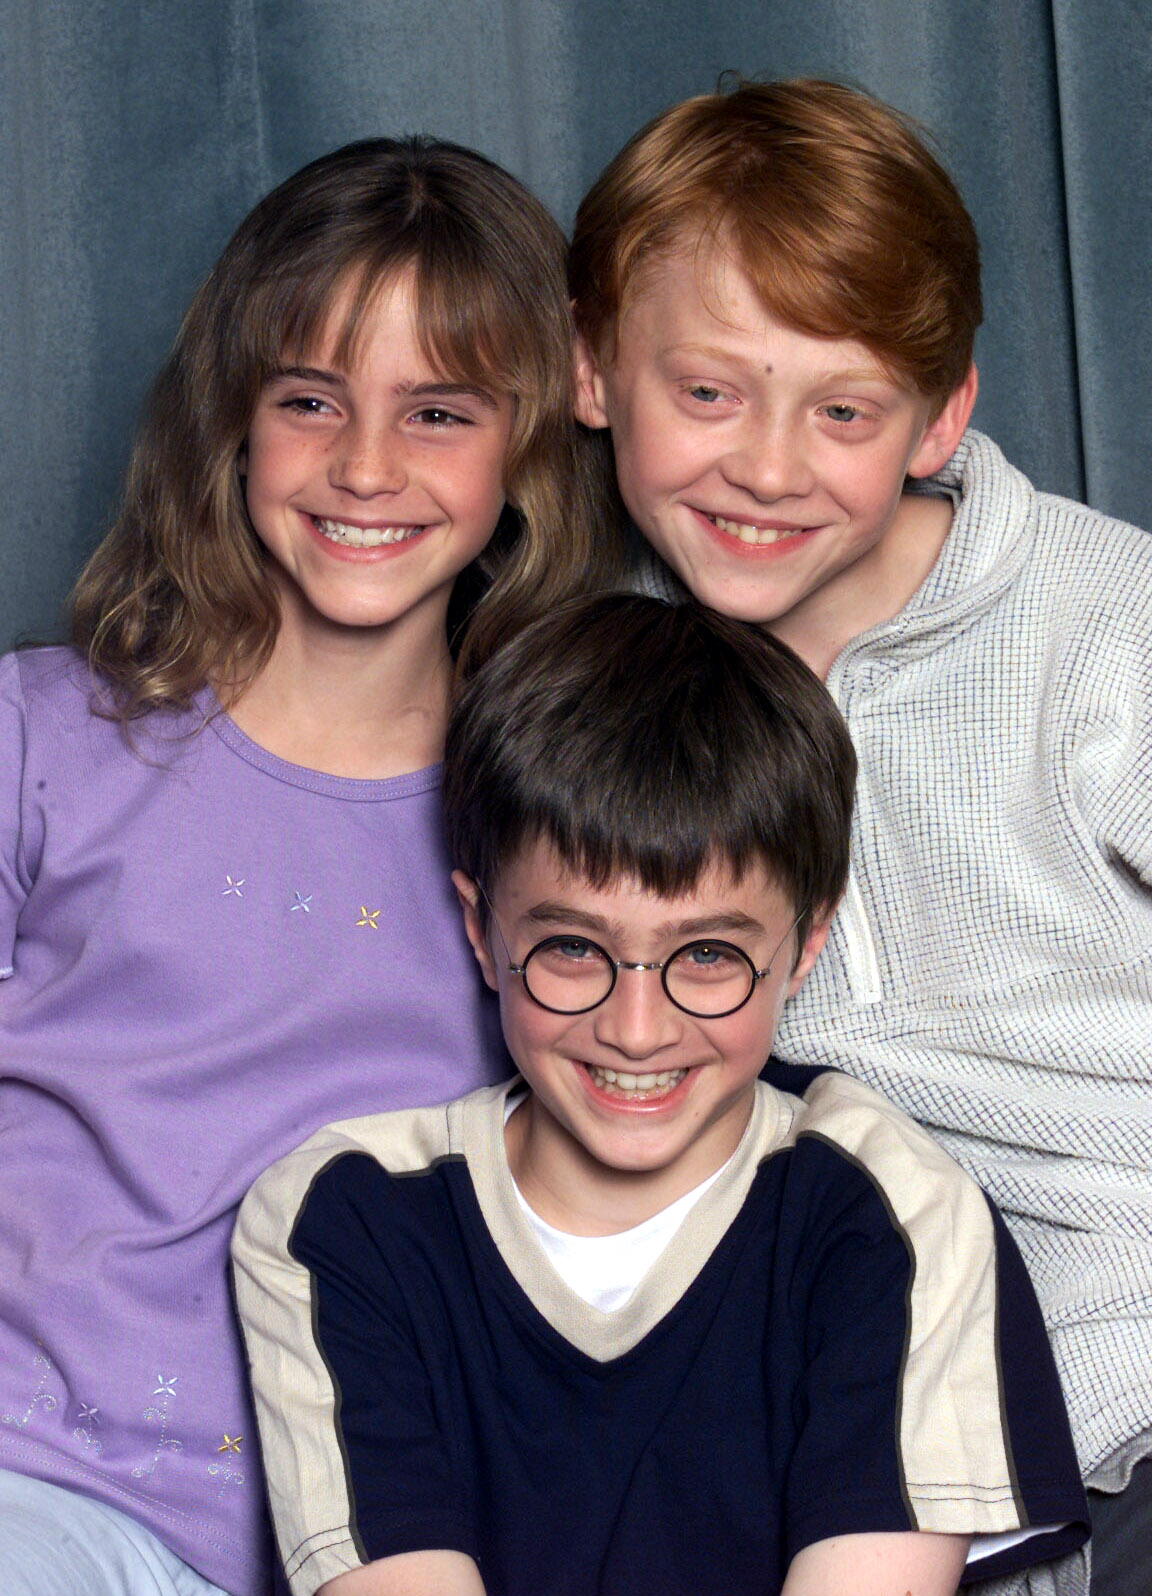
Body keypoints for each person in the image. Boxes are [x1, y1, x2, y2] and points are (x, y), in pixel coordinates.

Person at [567, 79, 1152, 1595]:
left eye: (842, 411)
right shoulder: (584, 684)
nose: (766, 467)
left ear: (943, 412)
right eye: (708, 393)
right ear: (591, 371)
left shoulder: (1104, 631)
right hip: (897, 1444)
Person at [0, 136, 599, 1596]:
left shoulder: (553, 834)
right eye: (311, 400)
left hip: (357, 1549)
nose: (367, 467)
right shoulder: (40, 739)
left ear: (524, 449)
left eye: (438, 411)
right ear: (234, 424)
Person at [232, 593, 1088, 1596]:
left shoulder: (890, 1213)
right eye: (570, 949)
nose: (636, 1029)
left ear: (808, 943)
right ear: (482, 934)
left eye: (711, 956)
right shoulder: (344, 1214)